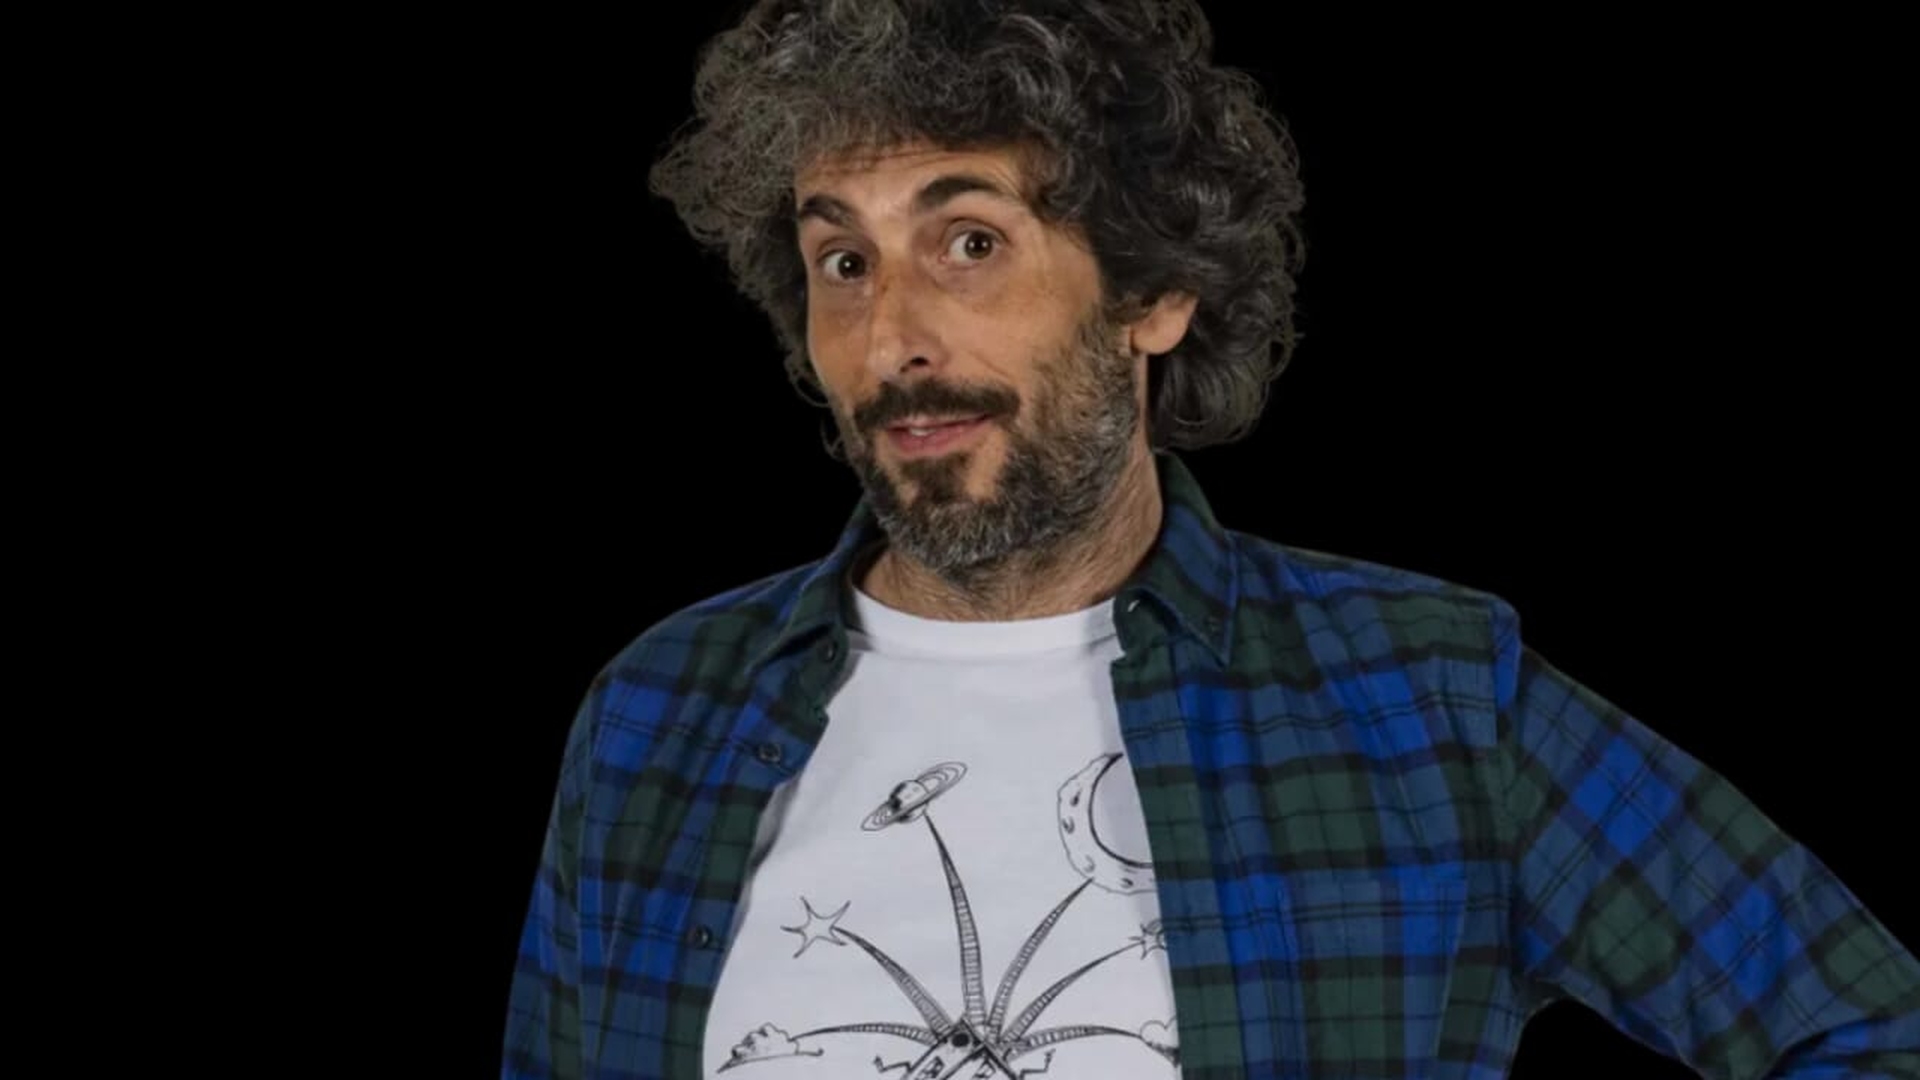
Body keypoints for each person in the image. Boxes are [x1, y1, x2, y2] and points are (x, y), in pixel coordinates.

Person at [504, 2, 1919, 1077]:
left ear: (1153, 293)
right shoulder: (655, 715)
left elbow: (1858, 1021)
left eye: (971, 241)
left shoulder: (1426, 699)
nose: (891, 340)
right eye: (843, 261)